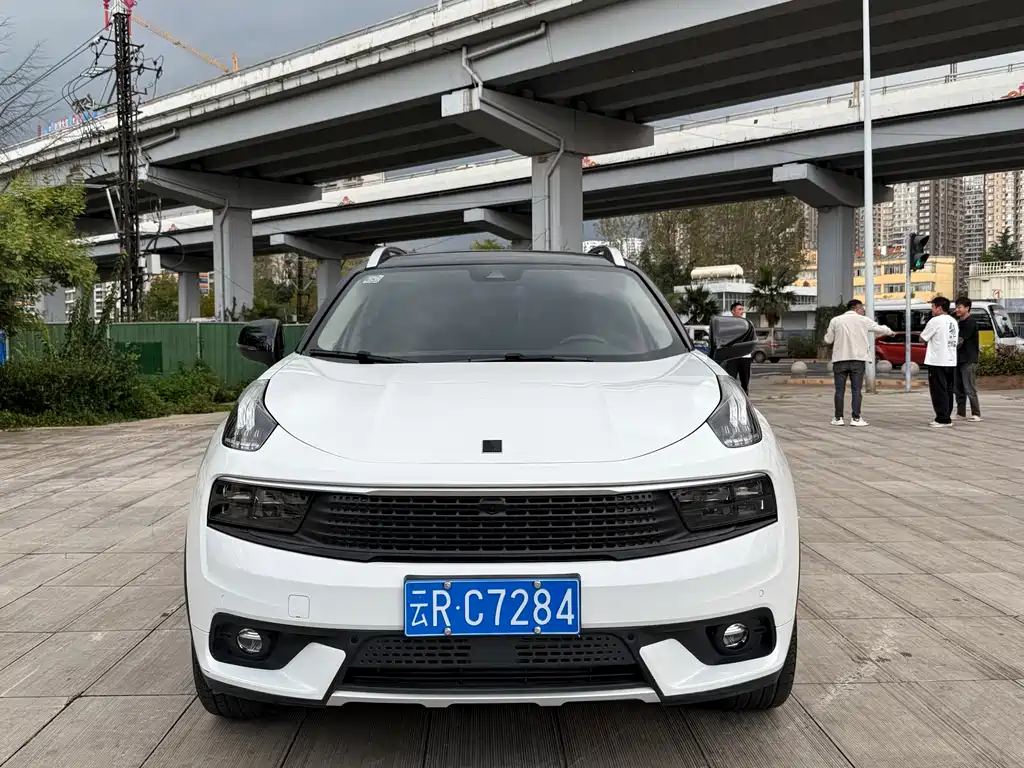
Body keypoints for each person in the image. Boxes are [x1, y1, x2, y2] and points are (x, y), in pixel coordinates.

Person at [823, 299, 895, 427]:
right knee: (856, 390)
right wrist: (890, 332)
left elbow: (828, 340)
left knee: (839, 390)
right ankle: (855, 418)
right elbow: (879, 328)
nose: (863, 311)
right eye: (862, 309)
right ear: (856, 308)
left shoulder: (835, 320)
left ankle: (838, 418)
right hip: (858, 360)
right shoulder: (863, 320)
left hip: (840, 359)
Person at [920, 296, 959, 428]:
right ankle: (947, 416)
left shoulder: (935, 321)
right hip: (951, 360)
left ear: (939, 308)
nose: (932, 310)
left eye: (933, 307)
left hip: (937, 360)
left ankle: (942, 418)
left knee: (938, 390)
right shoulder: (953, 321)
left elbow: (922, 338)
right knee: (948, 390)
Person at [953, 296, 982, 422]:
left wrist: (949, 346)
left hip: (969, 360)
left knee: (969, 388)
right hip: (958, 359)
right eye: (956, 307)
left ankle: (976, 413)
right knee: (958, 388)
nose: (957, 310)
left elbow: (960, 341)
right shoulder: (958, 322)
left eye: (959, 307)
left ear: (967, 308)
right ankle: (961, 413)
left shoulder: (970, 322)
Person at [724, 302, 752, 393]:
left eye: (742, 309)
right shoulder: (728, 324)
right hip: (732, 357)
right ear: (733, 311)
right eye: (739, 309)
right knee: (731, 380)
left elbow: (751, 337)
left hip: (745, 357)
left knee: (745, 382)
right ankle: (731, 396)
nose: (742, 311)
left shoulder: (748, 323)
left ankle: (745, 397)